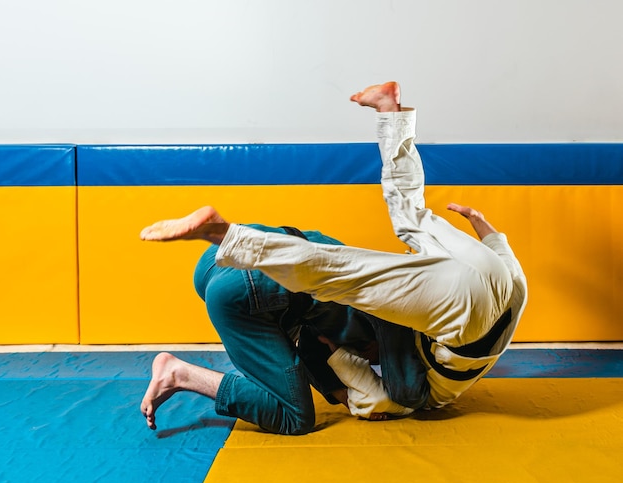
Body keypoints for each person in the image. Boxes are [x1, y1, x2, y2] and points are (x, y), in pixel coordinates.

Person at [140, 81, 527, 434]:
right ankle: (222, 235)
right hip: (467, 311)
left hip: (501, 278)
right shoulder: (429, 389)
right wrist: (340, 364)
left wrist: (487, 232)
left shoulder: (468, 344)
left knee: (410, 213)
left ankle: (389, 112)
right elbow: (378, 398)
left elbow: (512, 277)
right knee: (347, 276)